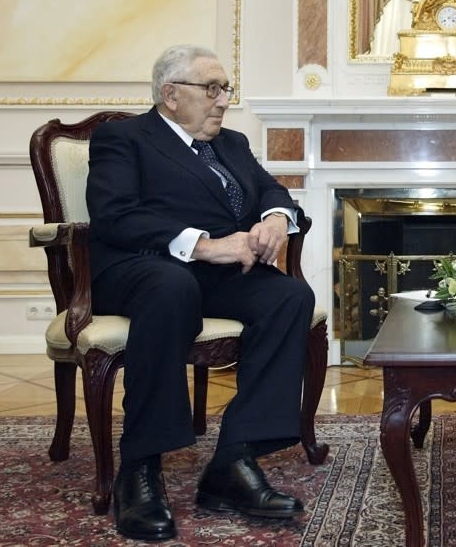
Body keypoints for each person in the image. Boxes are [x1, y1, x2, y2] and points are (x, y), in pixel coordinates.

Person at [86, 45, 316, 541]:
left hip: (213, 277)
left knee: (289, 298)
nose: (223, 101)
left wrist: (277, 216)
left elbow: (271, 189)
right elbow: (116, 216)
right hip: (140, 270)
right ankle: (141, 467)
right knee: (172, 286)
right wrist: (205, 246)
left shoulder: (230, 143)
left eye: (226, 89)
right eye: (211, 89)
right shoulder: (123, 139)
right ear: (170, 95)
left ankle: (234, 459)